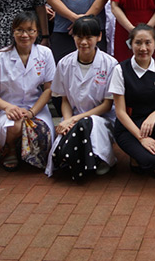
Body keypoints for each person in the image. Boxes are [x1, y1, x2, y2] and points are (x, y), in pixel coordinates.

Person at [0, 11, 56, 171]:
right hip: (7, 109)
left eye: (30, 30)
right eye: (20, 30)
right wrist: (8, 107)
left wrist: (32, 112)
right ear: (13, 31)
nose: (25, 35)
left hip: (36, 108)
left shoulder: (45, 53)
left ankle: (22, 147)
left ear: (37, 32)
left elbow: (49, 89)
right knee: (15, 126)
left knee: (45, 137)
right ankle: (10, 147)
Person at [47, 16, 117, 179]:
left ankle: (102, 159)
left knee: (89, 124)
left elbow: (106, 105)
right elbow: (64, 99)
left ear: (99, 37)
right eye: (79, 37)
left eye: (89, 37)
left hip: (102, 119)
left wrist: (73, 120)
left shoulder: (110, 64)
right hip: (74, 117)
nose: (83, 42)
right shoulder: (65, 63)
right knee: (59, 154)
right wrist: (67, 120)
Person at [108, 24, 155, 180]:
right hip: (128, 126)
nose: (143, 48)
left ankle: (149, 154)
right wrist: (141, 138)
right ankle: (151, 158)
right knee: (152, 161)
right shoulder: (120, 70)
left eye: (148, 42)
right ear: (130, 44)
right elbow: (120, 112)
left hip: (152, 123)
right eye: (138, 43)